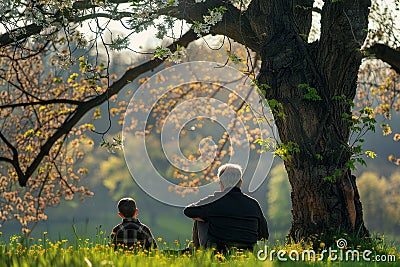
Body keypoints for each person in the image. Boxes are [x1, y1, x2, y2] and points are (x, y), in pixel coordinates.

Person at [184, 163, 269, 251]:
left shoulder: (213, 201)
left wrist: (204, 218)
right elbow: (264, 235)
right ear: (240, 182)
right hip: (247, 251)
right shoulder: (253, 204)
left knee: (200, 215)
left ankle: (195, 251)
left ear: (221, 183)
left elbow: (188, 211)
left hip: (217, 251)